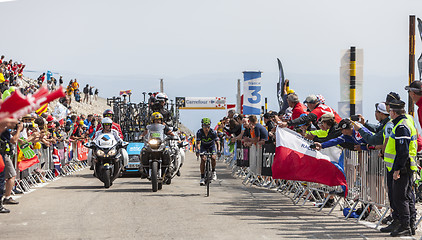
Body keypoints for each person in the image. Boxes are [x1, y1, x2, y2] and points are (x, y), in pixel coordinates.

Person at [382, 99, 418, 237]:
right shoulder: (402, 123)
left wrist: (397, 170)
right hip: (404, 166)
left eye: (390, 110)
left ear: (394, 112)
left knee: (400, 197)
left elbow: (402, 151)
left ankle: (405, 226)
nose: (389, 113)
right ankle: (407, 224)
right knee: (405, 196)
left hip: (403, 167)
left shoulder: (401, 126)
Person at [196, 118, 220, 186]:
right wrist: (198, 150)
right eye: (204, 126)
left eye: (208, 126)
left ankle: (213, 171)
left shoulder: (213, 132)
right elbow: (198, 143)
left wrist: (218, 150)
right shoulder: (199, 132)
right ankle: (202, 177)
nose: (206, 128)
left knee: (213, 157)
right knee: (203, 160)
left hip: (211, 146)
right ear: (202, 126)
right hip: (203, 146)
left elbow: (217, 142)